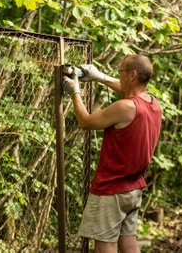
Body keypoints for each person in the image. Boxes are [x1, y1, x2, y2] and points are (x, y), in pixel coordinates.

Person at [62, 54, 162, 253]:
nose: (119, 76)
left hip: (111, 188)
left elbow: (86, 121)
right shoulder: (153, 104)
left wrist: (75, 92)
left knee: (105, 244)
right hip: (134, 187)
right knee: (128, 240)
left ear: (132, 75)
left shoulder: (124, 107)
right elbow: (130, 92)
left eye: (121, 72)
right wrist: (101, 78)